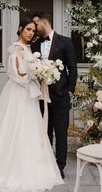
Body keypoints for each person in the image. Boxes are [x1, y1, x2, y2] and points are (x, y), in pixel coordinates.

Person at [0, 18, 63, 192]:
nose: (31, 33)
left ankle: (31, 163)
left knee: (29, 128)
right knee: (15, 126)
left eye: (33, 30)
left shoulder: (27, 48)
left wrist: (39, 73)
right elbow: (14, 73)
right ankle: (11, 166)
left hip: (28, 95)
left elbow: (27, 69)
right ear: (20, 29)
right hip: (18, 93)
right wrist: (34, 74)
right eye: (28, 29)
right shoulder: (16, 48)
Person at [31, 12, 77, 179]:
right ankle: (46, 164)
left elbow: (72, 68)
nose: (34, 29)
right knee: (45, 131)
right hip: (41, 96)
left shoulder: (65, 42)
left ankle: (60, 167)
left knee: (61, 132)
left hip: (60, 95)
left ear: (44, 23)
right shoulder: (35, 45)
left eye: (36, 25)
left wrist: (69, 90)